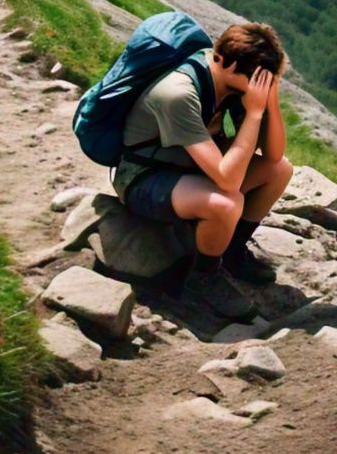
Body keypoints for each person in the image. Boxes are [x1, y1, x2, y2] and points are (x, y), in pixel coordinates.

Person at [113, 22, 294, 320]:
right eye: (256, 79)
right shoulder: (179, 94)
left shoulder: (234, 83)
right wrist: (254, 113)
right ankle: (202, 279)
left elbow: (274, 156)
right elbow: (229, 179)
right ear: (230, 65)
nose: (258, 86)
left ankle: (231, 253)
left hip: (191, 170)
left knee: (279, 171)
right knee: (227, 202)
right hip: (143, 178)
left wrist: (269, 102)